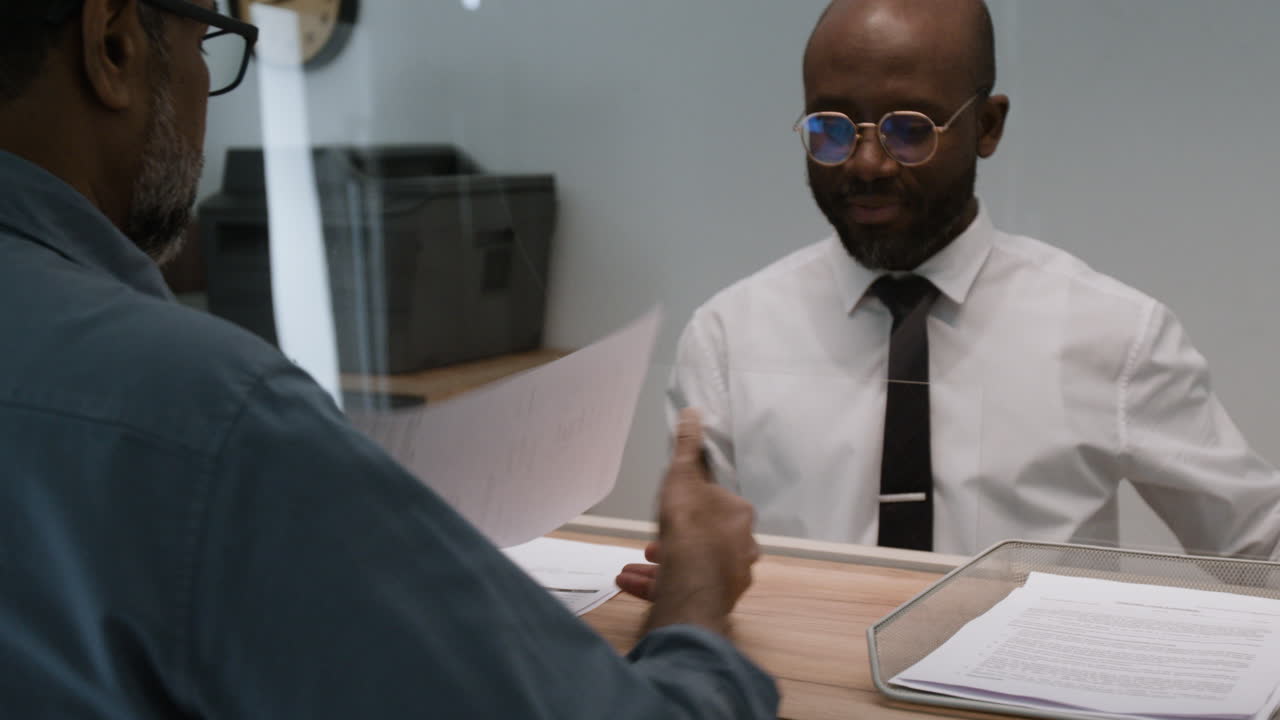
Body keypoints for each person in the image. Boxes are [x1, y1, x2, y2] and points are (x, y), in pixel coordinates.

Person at [0, 1, 777, 717]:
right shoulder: (207, 414)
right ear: (112, 45)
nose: (210, 89)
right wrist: (696, 606)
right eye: (207, 40)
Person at [667, 0, 1280, 557]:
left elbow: (1260, 543)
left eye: (909, 131)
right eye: (832, 129)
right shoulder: (728, 337)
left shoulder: (1115, 336)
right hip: (799, 677)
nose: (868, 164)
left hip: (1037, 677)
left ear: (987, 126)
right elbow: (697, 560)